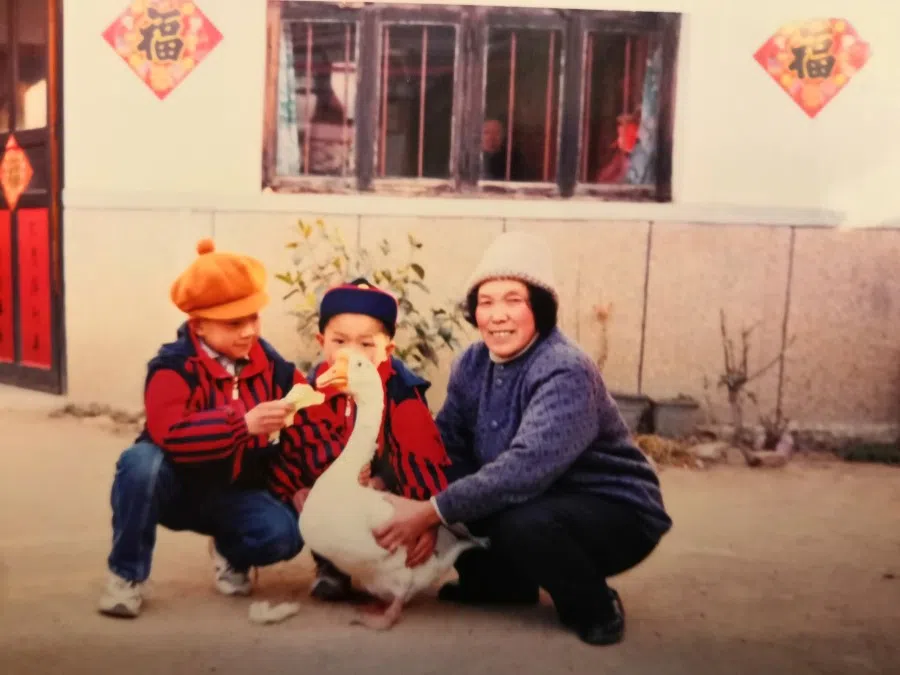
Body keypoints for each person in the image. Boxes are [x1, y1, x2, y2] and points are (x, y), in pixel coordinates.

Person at [372, 231, 673, 646]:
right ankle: (502, 584)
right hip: (538, 498)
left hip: (613, 511)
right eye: (486, 301)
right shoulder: (472, 363)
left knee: (519, 519)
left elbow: (522, 473)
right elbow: (443, 445)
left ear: (541, 308)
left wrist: (428, 512)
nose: (497, 315)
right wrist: (389, 480)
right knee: (439, 470)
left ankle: (595, 605)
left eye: (514, 300)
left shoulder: (565, 369)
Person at [97, 238, 331, 618]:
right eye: (234, 322)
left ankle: (229, 550)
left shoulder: (269, 364)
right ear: (199, 326)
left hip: (236, 491)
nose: (249, 331)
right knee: (141, 463)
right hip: (176, 489)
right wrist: (243, 425)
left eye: (254, 318)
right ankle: (126, 575)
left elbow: (307, 414)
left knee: (285, 536)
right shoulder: (172, 367)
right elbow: (171, 433)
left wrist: (305, 479)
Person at [267, 277, 451, 601]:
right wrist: (297, 488)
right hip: (335, 490)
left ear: (388, 349)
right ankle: (331, 565)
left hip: (386, 498)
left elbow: (425, 463)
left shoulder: (402, 397)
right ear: (321, 341)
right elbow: (292, 453)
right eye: (340, 341)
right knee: (316, 489)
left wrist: (425, 517)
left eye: (366, 345)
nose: (351, 354)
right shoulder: (311, 394)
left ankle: (389, 566)